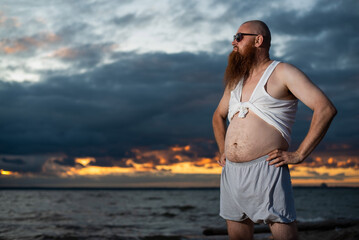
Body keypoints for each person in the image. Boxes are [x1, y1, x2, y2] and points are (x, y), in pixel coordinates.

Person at [212, 20, 337, 240]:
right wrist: (223, 149)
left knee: (283, 234)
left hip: (267, 167)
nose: (233, 42)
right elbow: (217, 116)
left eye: (239, 37)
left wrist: (299, 154)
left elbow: (325, 108)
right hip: (231, 171)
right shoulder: (236, 81)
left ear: (258, 40)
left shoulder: (283, 72)